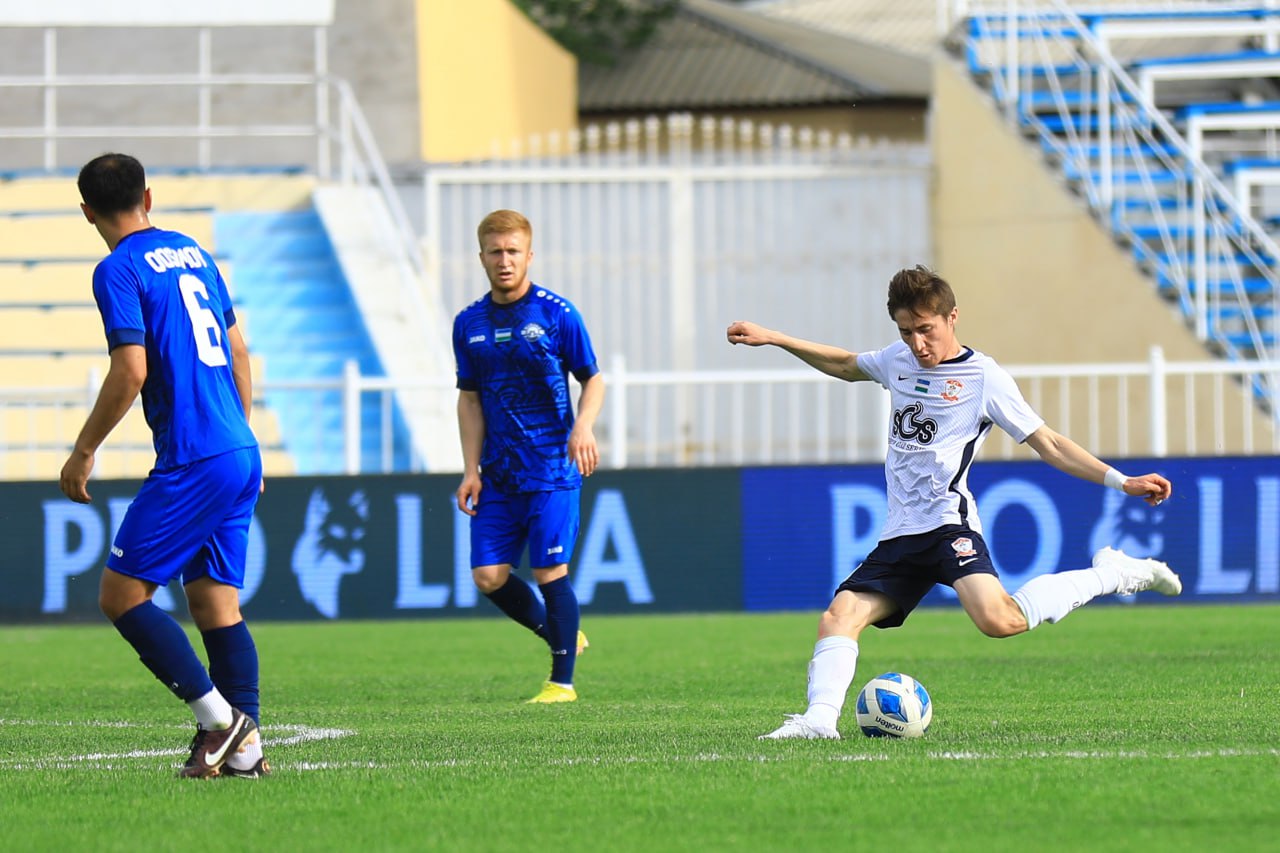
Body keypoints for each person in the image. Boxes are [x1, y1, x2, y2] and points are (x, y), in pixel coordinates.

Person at [726, 265, 1182, 740]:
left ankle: (1113, 572)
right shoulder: (896, 361)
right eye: (906, 332)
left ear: (952, 318)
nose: (917, 344)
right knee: (839, 616)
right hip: (901, 533)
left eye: (926, 330)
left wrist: (1121, 481)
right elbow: (844, 364)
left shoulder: (983, 377)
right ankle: (819, 721)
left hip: (948, 525)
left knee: (999, 620)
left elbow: (1048, 443)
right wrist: (775, 338)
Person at [61, 153, 269, 777]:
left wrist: (84, 448)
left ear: (87, 211)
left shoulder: (116, 269)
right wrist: (238, 438)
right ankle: (247, 751)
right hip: (237, 447)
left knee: (121, 595)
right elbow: (236, 349)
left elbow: (131, 370)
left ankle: (221, 722)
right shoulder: (194, 253)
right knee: (214, 604)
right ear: (148, 196)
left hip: (195, 457)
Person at [453, 209, 605, 704]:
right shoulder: (468, 324)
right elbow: (469, 398)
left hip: (552, 470)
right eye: (495, 252)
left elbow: (594, 379)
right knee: (488, 577)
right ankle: (563, 634)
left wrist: (582, 427)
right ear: (481, 257)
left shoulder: (558, 314)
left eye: (513, 251)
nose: (504, 261)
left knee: (549, 573)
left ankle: (561, 684)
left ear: (529, 255)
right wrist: (470, 469)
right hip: (498, 474)